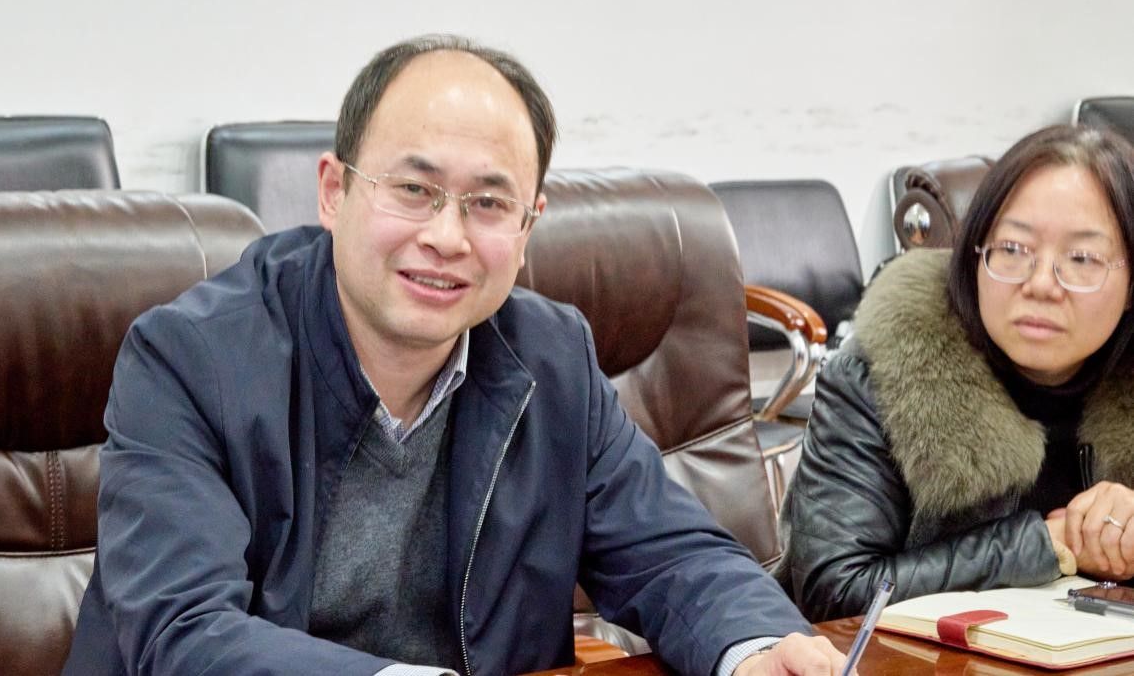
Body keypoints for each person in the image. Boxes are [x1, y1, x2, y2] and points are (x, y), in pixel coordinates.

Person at [62, 35, 846, 676]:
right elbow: (183, 631)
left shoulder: (553, 359)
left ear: (528, 226)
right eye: (414, 190)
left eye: (489, 204)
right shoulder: (191, 359)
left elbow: (669, 552)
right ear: (333, 191)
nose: (446, 236)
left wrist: (756, 645)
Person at [777, 124, 1134, 621]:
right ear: (975, 255)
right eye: (1013, 249)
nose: (1041, 285)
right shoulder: (881, 373)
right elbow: (833, 591)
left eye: (1081, 258)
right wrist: (1047, 544)